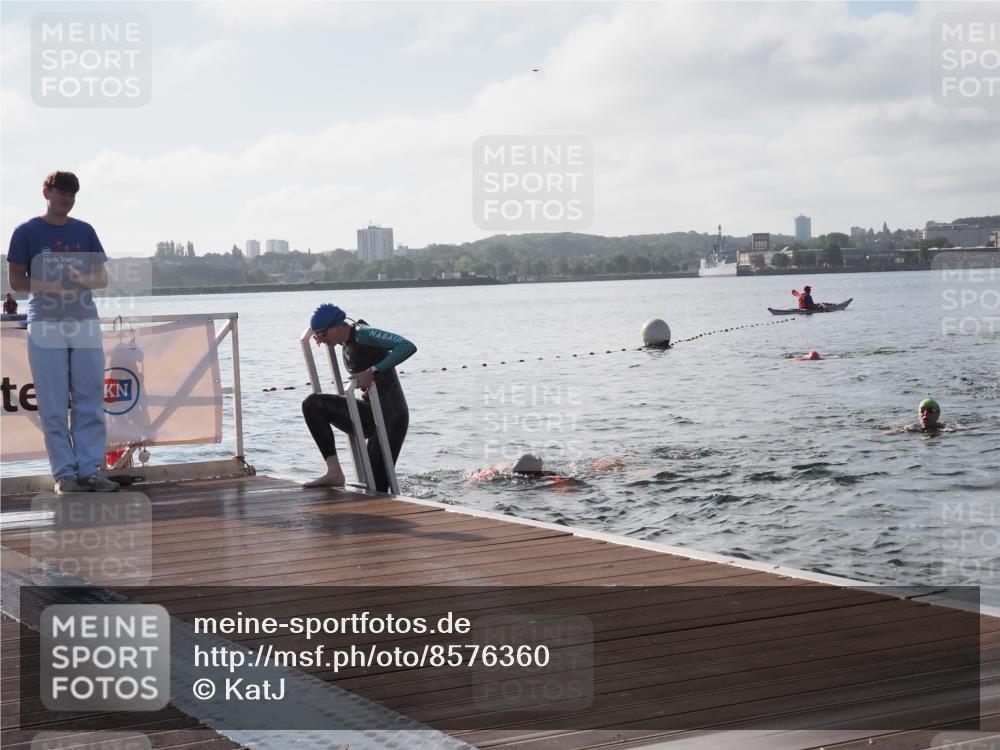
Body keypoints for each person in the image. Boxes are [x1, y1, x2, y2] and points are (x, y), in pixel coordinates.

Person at [6, 171, 119, 493]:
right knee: (53, 403)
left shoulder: (85, 231)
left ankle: (91, 471)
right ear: (46, 192)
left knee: (89, 399)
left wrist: (79, 279)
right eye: (61, 193)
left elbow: (101, 279)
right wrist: (47, 285)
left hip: (83, 321)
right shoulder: (26, 231)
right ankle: (64, 475)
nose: (67, 200)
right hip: (45, 323)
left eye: (72, 195)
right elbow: (16, 281)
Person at [301, 303, 415, 491]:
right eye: (316, 337)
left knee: (377, 488)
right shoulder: (344, 342)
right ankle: (334, 472)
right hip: (370, 413)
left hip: (391, 418)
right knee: (312, 404)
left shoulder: (364, 332)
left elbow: (406, 346)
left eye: (322, 334)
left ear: (337, 326)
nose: (320, 341)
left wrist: (375, 370)